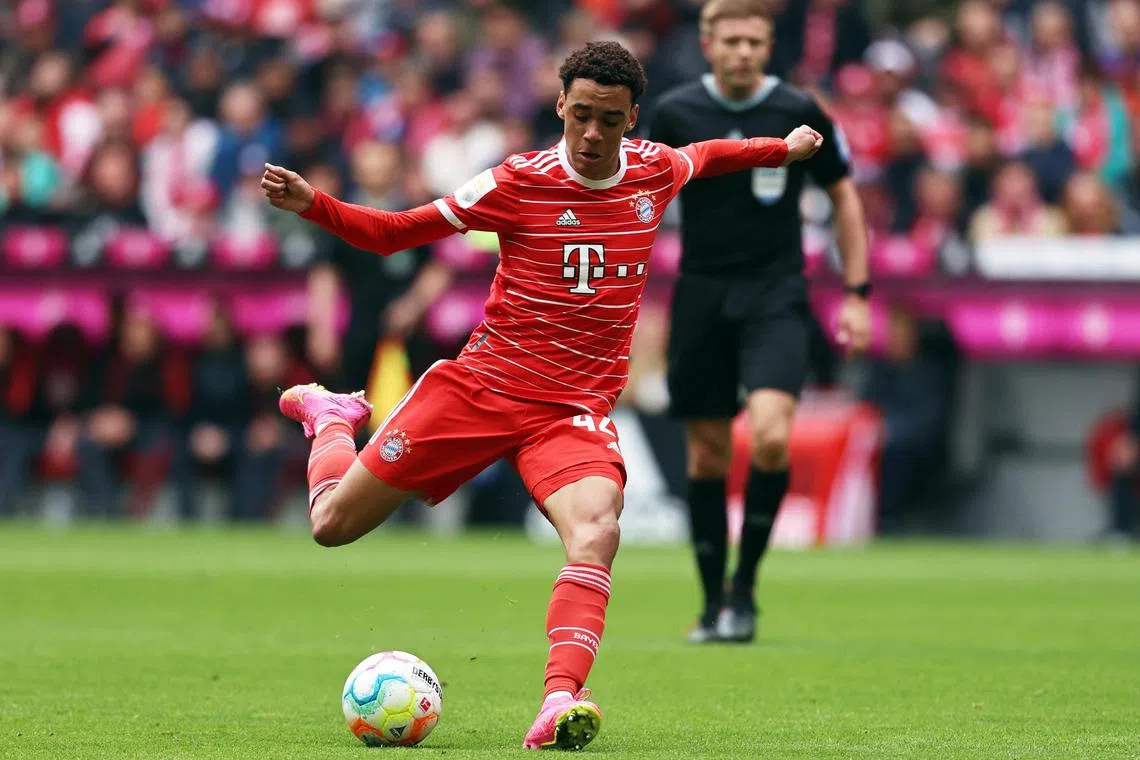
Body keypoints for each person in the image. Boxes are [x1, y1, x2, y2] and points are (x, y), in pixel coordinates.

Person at [262, 40, 822, 751]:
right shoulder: (515, 182)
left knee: (598, 528)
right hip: (481, 389)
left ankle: (560, 699)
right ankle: (333, 418)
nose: (592, 134)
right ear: (560, 105)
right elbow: (396, 234)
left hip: (572, 410)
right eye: (580, 115)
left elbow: (711, 154)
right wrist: (316, 205)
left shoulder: (654, 168)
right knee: (331, 525)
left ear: (632, 119)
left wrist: (783, 147)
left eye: (609, 121)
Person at [646, 0, 872, 644]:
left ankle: (745, 591)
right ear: (708, 41)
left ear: (769, 44)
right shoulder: (676, 112)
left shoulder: (798, 110)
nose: (744, 52)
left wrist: (857, 292)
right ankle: (712, 600)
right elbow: (638, 191)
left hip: (777, 293)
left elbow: (843, 193)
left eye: (755, 41)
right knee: (709, 453)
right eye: (732, 40)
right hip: (701, 294)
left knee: (771, 438)